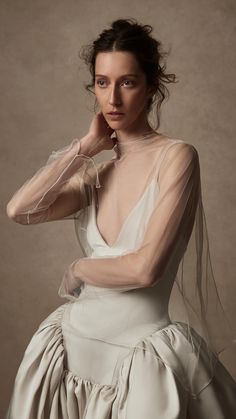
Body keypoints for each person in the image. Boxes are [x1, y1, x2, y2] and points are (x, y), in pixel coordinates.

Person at [5, 18, 236, 419]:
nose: (112, 98)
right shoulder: (97, 173)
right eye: (101, 82)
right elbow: (19, 210)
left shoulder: (176, 157)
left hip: (139, 363)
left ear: (150, 86)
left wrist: (81, 267)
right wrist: (85, 147)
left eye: (127, 82)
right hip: (71, 352)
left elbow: (147, 269)